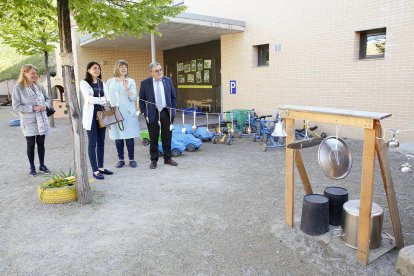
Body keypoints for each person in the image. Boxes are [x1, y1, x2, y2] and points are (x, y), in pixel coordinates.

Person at [12, 64, 52, 177]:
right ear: (25, 73)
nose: (35, 75)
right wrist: (33, 108)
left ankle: (42, 166)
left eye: (36, 73)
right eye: (32, 73)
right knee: (30, 144)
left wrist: (45, 105)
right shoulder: (18, 87)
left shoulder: (39, 86)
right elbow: (16, 106)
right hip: (28, 121)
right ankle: (32, 167)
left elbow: (48, 99)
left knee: (41, 143)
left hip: (42, 119)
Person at [139, 62, 177, 169]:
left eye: (160, 69)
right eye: (156, 70)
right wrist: (144, 113)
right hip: (153, 114)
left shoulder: (168, 81)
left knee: (167, 137)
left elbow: (173, 97)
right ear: (151, 72)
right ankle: (154, 160)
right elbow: (141, 101)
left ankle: (168, 159)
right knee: (153, 137)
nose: (159, 72)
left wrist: (173, 111)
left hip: (166, 113)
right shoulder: (145, 83)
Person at [80, 61, 114, 180]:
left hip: (102, 115)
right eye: (94, 68)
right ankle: (95, 170)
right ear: (88, 70)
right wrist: (102, 99)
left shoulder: (101, 83)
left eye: (98, 68)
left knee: (101, 143)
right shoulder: (84, 83)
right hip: (91, 117)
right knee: (92, 144)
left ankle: (101, 167)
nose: (97, 70)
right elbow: (89, 99)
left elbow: (108, 98)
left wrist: (101, 99)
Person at [106, 60, 140, 168]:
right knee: (118, 137)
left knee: (129, 136)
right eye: (121, 66)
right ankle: (120, 159)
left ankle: (132, 159)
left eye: (125, 66)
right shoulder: (110, 81)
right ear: (117, 68)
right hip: (114, 112)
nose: (124, 68)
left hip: (128, 113)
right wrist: (107, 115)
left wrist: (127, 88)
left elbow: (133, 97)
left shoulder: (131, 81)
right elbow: (106, 98)